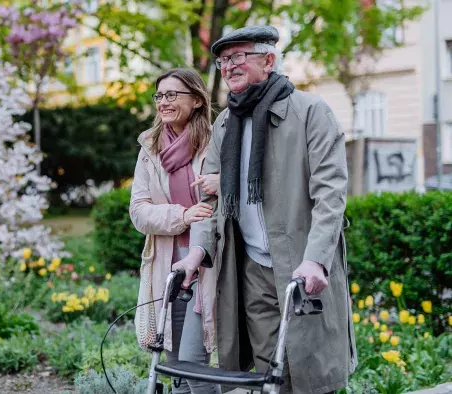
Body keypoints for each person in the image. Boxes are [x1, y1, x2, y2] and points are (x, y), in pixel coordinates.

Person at [172, 26, 358, 394]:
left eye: (238, 57)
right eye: (223, 61)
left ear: (269, 60)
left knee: (314, 372)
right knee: (268, 375)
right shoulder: (226, 122)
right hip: (253, 267)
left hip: (303, 265)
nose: (228, 67)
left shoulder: (311, 112)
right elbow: (212, 201)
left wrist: (317, 259)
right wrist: (198, 251)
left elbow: (331, 192)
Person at [129, 68, 221, 394]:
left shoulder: (214, 143)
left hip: (209, 261)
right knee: (175, 369)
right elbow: (139, 213)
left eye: (172, 95)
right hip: (167, 263)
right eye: (159, 95)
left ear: (196, 100)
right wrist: (183, 215)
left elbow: (221, 205)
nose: (164, 102)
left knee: (194, 365)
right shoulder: (150, 148)